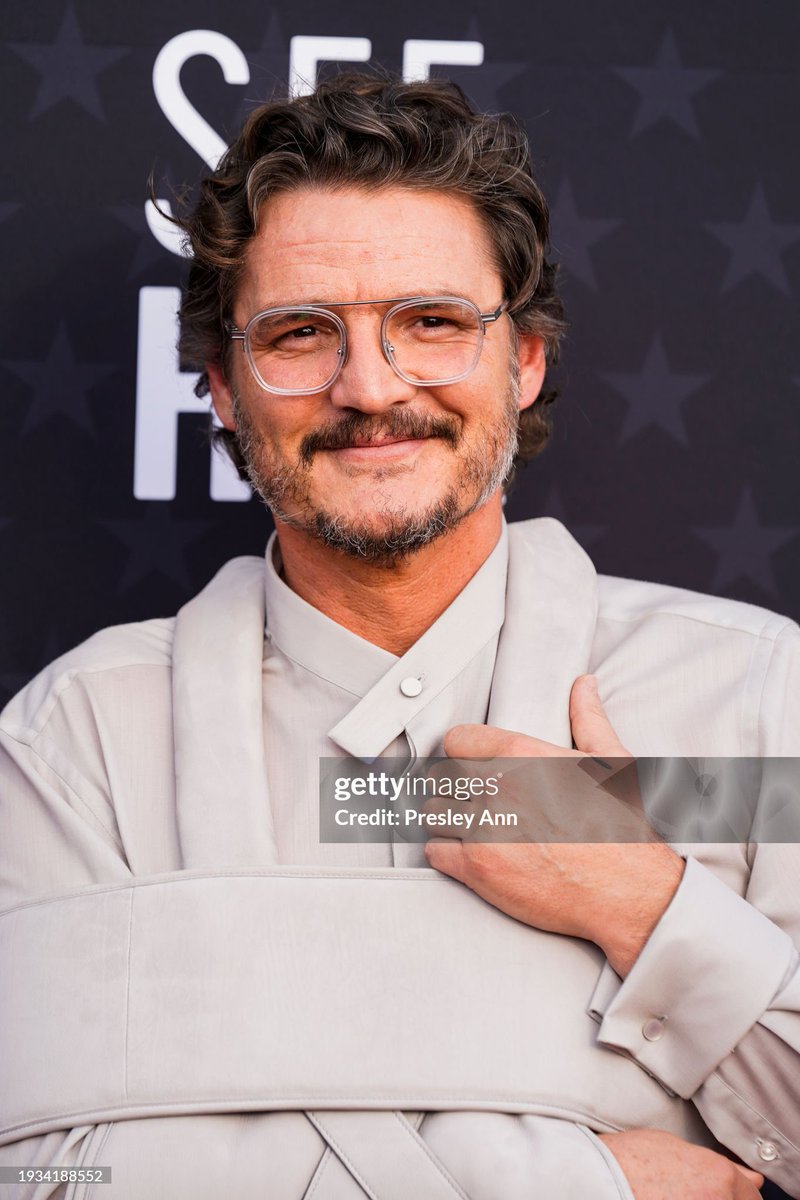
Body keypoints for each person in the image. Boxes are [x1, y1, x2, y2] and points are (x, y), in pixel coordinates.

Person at [0, 73, 798, 1200]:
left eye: (431, 323)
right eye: (298, 333)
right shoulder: (76, 745)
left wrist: (641, 901)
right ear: (222, 387)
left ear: (521, 360)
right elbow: (39, 1174)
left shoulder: (752, 706)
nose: (369, 387)